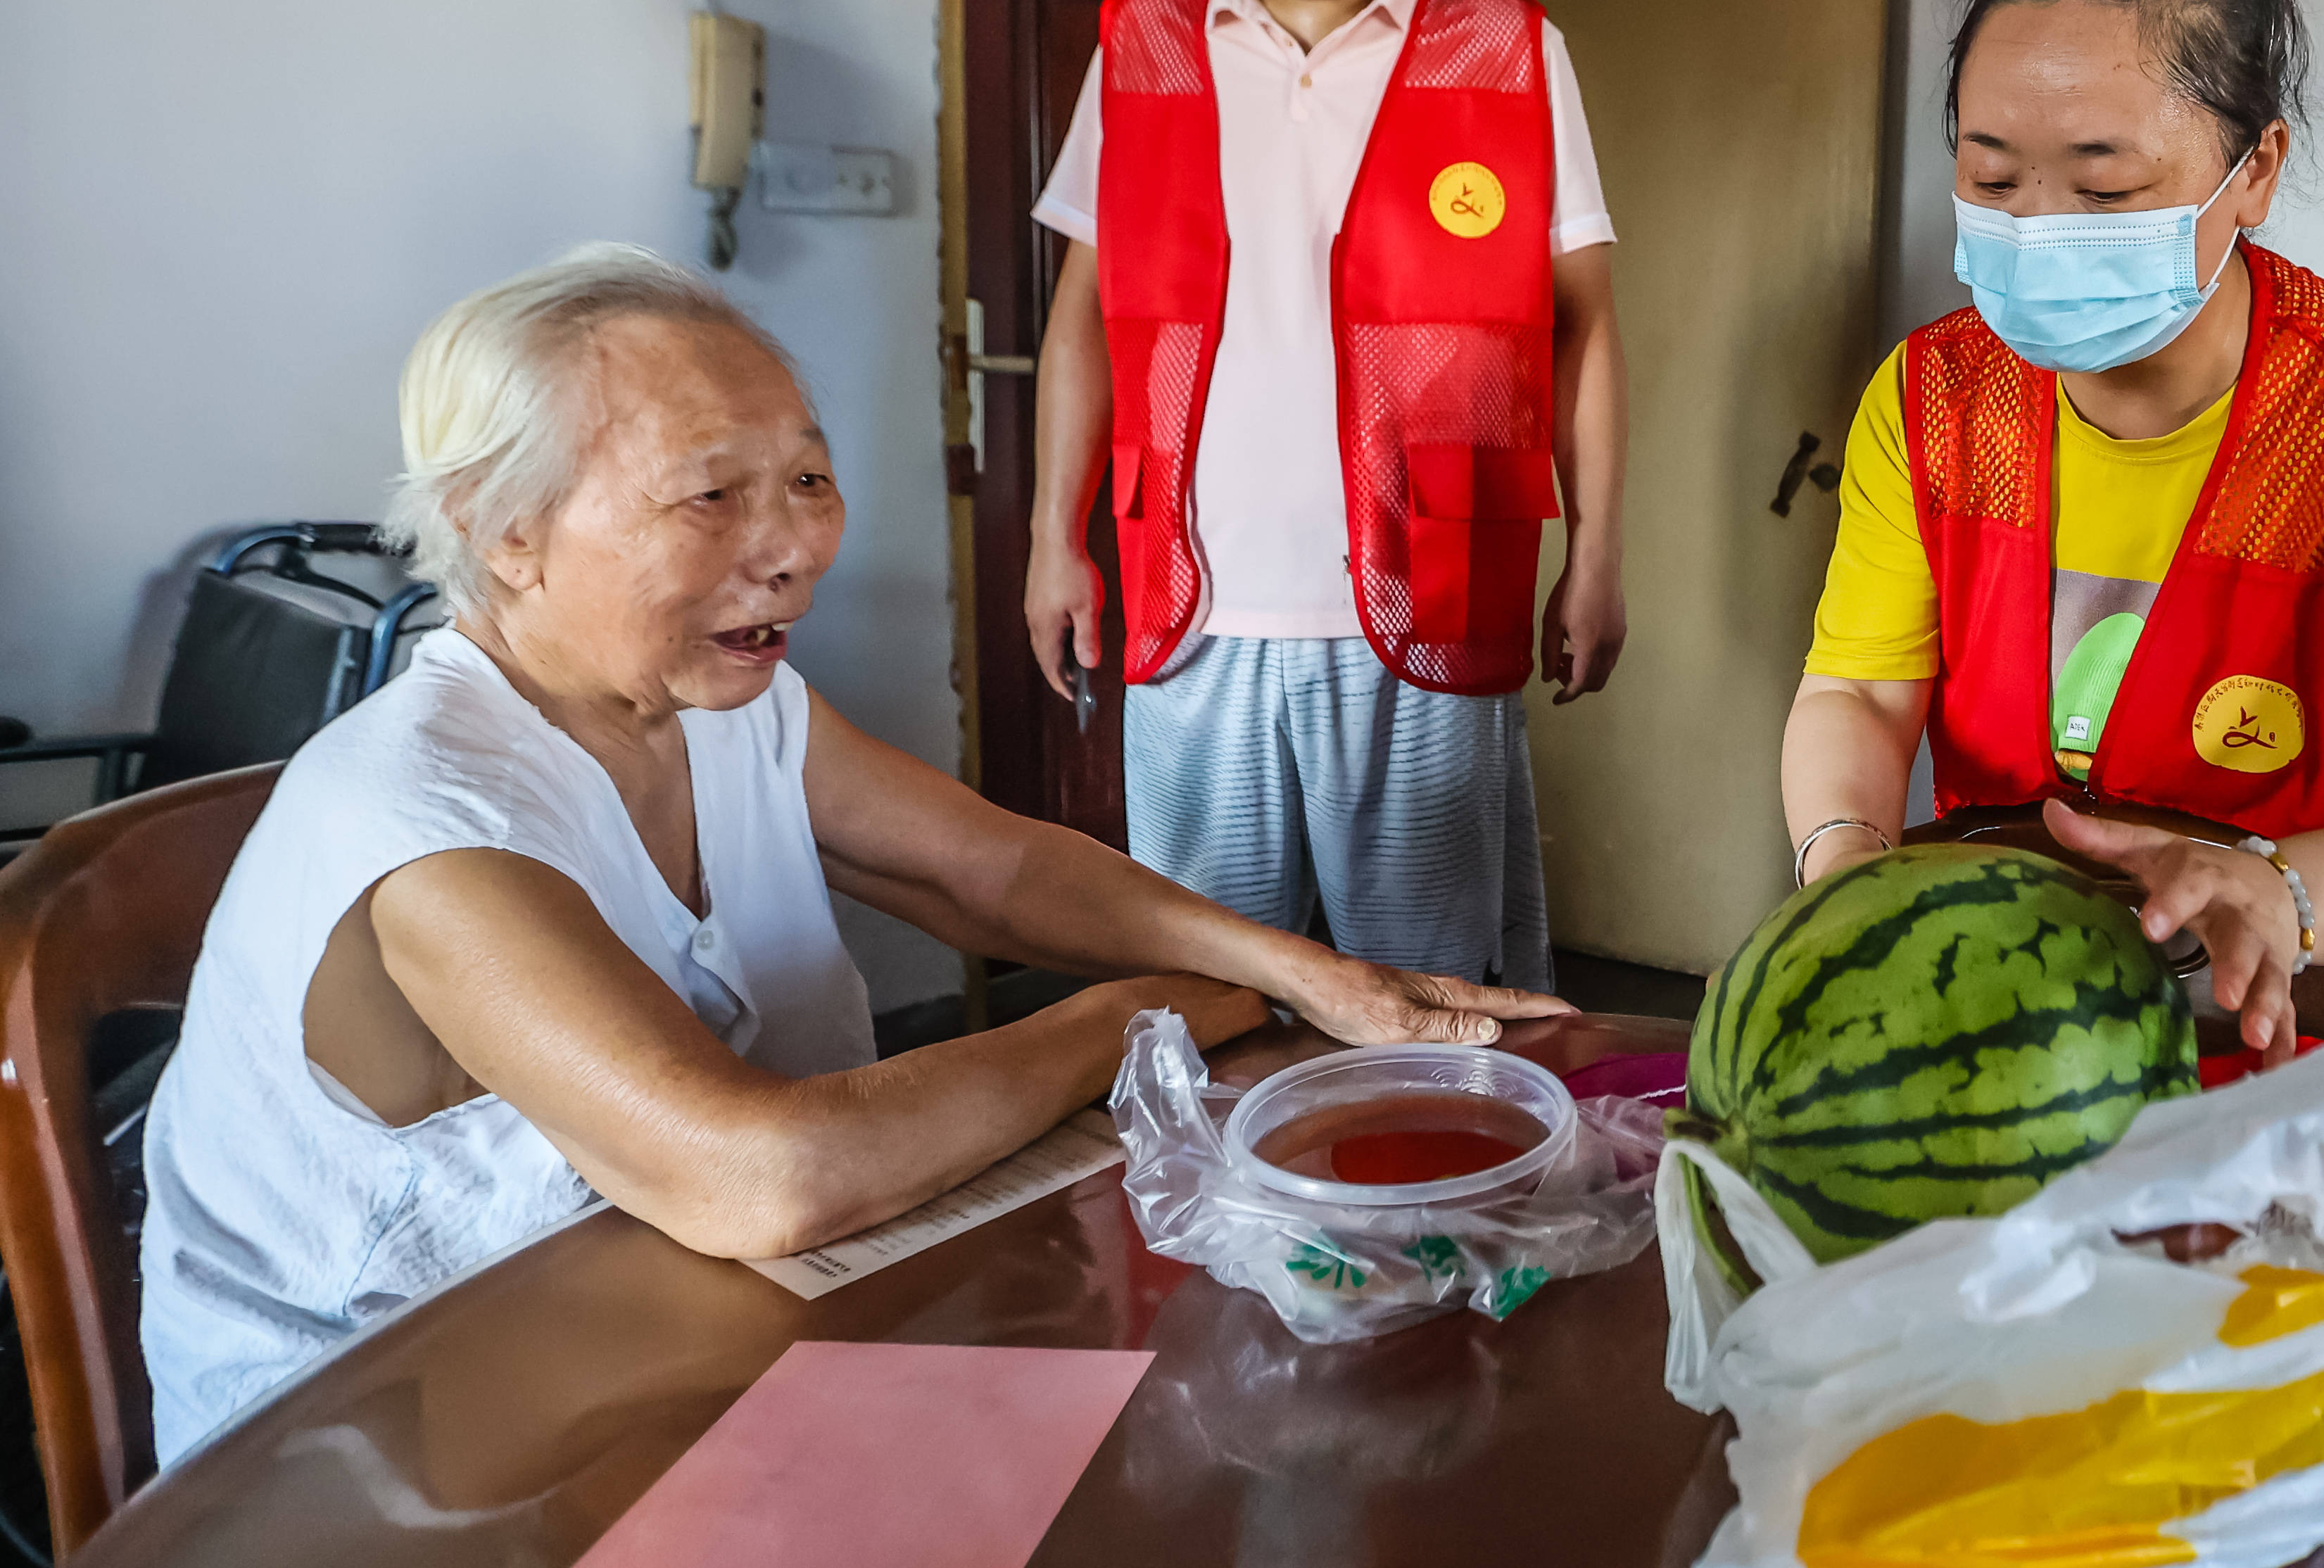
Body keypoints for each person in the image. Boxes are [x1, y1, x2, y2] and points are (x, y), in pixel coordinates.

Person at [139, 246, 1565, 1462]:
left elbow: (989, 871)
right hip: (378, 1456)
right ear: (503, 533)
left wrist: (1304, 969)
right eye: (711, 497)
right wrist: (1145, 1010)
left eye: (808, 477)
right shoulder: (429, 822)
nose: (793, 547)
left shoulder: (721, 701)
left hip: (673, 1335)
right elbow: (758, 1177)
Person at [1781, 0, 2324, 1061]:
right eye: (1993, 179)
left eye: (2103, 190)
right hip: (2003, 1008)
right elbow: (1857, 690)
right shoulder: (1933, 400)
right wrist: (1845, 859)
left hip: (2294, 1020)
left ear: (2255, 170)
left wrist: (2285, 894)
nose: (2038, 226)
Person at [1024, 0, 1627, 994]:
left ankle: (1423, 1216)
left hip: (1433, 604)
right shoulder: (1141, 44)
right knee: (1202, 992)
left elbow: (1581, 324)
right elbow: (1084, 319)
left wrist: (1597, 552)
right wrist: (1051, 540)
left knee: (1428, 1002)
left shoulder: (1510, 49)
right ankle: (1216, 1220)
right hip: (1194, 607)